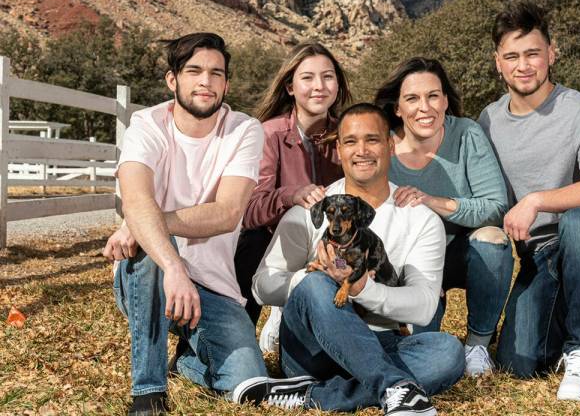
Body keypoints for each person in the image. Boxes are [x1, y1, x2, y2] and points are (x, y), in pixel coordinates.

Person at [235, 103, 464, 415]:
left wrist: (359, 288)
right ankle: (395, 386)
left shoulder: (421, 219)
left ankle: (311, 395)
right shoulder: (309, 208)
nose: (362, 151)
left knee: (447, 352)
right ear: (339, 148)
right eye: (351, 141)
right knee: (315, 284)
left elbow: (423, 306)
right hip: (311, 349)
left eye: (372, 140)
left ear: (390, 145)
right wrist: (313, 279)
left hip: (381, 342)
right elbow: (262, 286)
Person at [102, 33, 282, 415]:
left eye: (216, 73)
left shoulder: (244, 130)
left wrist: (144, 221)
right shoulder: (146, 125)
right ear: (173, 80)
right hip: (149, 280)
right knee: (148, 247)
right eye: (194, 71)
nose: (206, 81)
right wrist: (172, 263)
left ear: (226, 84)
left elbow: (228, 212)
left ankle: (187, 356)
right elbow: (135, 198)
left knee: (248, 380)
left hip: (214, 285)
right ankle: (149, 392)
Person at [478, 2, 580, 401]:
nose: (524, 65)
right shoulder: (489, 121)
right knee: (519, 363)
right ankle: (566, 311)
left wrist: (536, 200)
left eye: (533, 53)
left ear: (551, 53)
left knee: (579, 220)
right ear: (498, 62)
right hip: (540, 254)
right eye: (512, 56)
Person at [374, 57, 512, 377]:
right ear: (397, 108)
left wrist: (432, 201)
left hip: (465, 252)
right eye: (412, 98)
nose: (425, 107)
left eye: (433, 96)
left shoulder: (466, 134)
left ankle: (477, 345)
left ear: (446, 101)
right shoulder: (381, 148)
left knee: (493, 240)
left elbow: (494, 206)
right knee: (420, 347)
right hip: (413, 263)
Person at [234, 42, 348, 348]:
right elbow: (250, 210)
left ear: (338, 84)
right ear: (289, 87)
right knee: (252, 241)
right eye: (307, 78)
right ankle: (238, 345)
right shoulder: (267, 134)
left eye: (328, 77)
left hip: (330, 244)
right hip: (276, 246)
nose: (319, 87)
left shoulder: (348, 135)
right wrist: (291, 195)